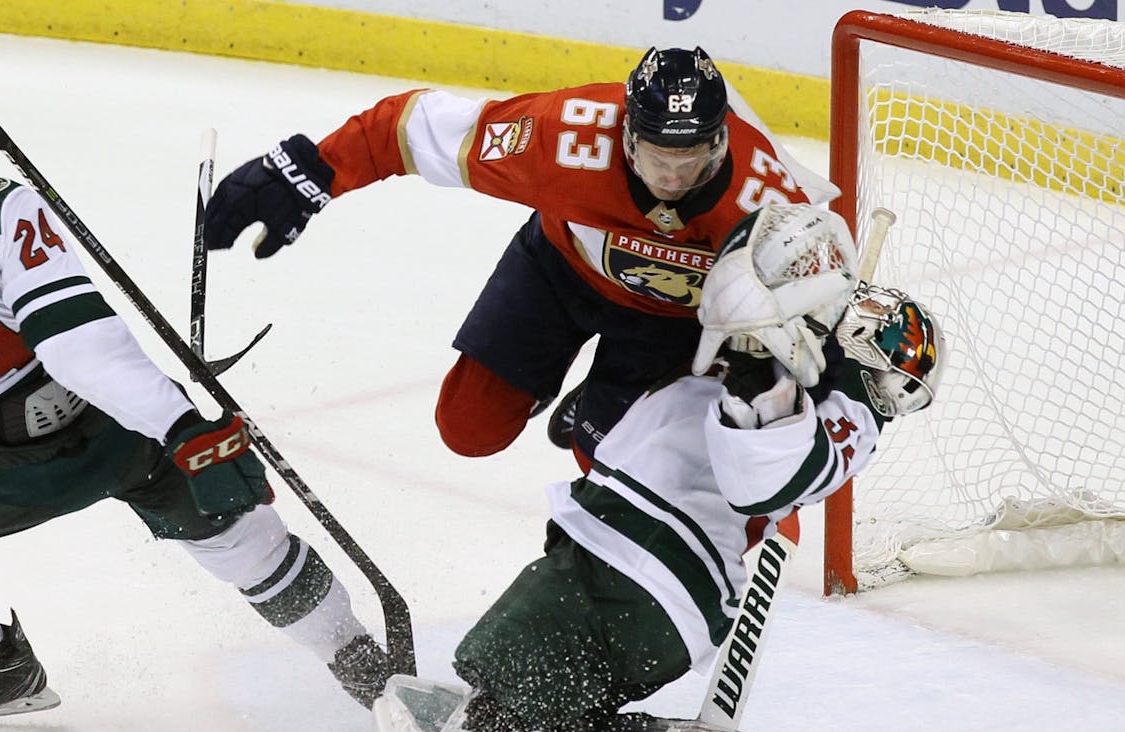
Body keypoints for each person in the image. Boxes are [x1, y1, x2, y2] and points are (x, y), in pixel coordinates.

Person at [0, 22, 395, 722]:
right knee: (237, 533)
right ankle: (365, 670)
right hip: (116, 422)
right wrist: (184, 428)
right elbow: (80, 351)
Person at [369, 205, 945, 732]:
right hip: (660, 596)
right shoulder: (821, 391)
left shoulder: (809, 401)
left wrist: (757, 374)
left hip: (625, 572)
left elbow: (758, 467)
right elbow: (684, 405)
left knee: (492, 722)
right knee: (566, 711)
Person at [204, 46, 835, 472]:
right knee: (469, 428)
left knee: (611, 467)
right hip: (558, 273)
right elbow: (408, 128)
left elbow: (825, 294)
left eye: (691, 158)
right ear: (624, 134)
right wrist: (304, 172)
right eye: (655, 155)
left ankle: (603, 407)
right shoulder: (563, 136)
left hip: (671, 326)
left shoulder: (768, 204)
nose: (672, 176)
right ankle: (553, 383)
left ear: (720, 139)